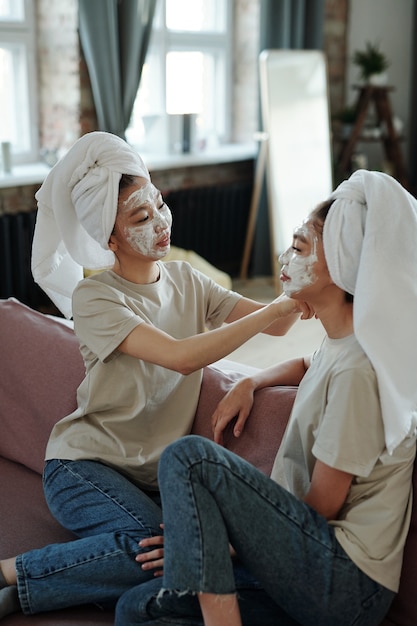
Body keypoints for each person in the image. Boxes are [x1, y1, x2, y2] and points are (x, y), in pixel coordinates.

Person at [0, 131, 312, 619]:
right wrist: (274, 309)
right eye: (141, 217)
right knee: (166, 551)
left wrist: (300, 272)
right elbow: (182, 357)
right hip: (82, 468)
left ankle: (40, 579)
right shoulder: (97, 299)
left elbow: (285, 324)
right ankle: (13, 580)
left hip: (147, 482)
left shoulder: (188, 280)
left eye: (160, 205)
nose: (161, 223)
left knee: (172, 555)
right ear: (109, 238)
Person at [114, 169, 417, 626]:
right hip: (308, 565)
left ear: (342, 262)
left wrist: (227, 539)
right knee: (136, 610)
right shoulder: (340, 344)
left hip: (343, 581)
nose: (284, 256)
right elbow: (304, 365)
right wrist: (250, 383)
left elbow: (324, 505)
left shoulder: (360, 368)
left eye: (298, 248)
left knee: (190, 459)